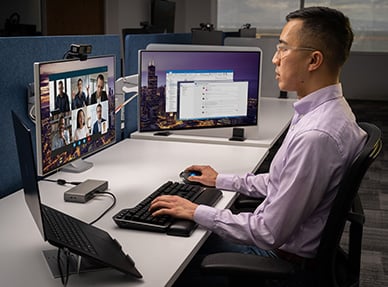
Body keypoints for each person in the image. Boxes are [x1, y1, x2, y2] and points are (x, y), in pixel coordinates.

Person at [149, 6, 368, 286]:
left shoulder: (317, 135)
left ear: (313, 60)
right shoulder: (327, 113)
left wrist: (195, 211)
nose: (275, 59)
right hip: (290, 248)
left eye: (283, 49)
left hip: (277, 260)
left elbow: (268, 232)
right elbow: (283, 182)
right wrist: (222, 180)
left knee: (166, 265)